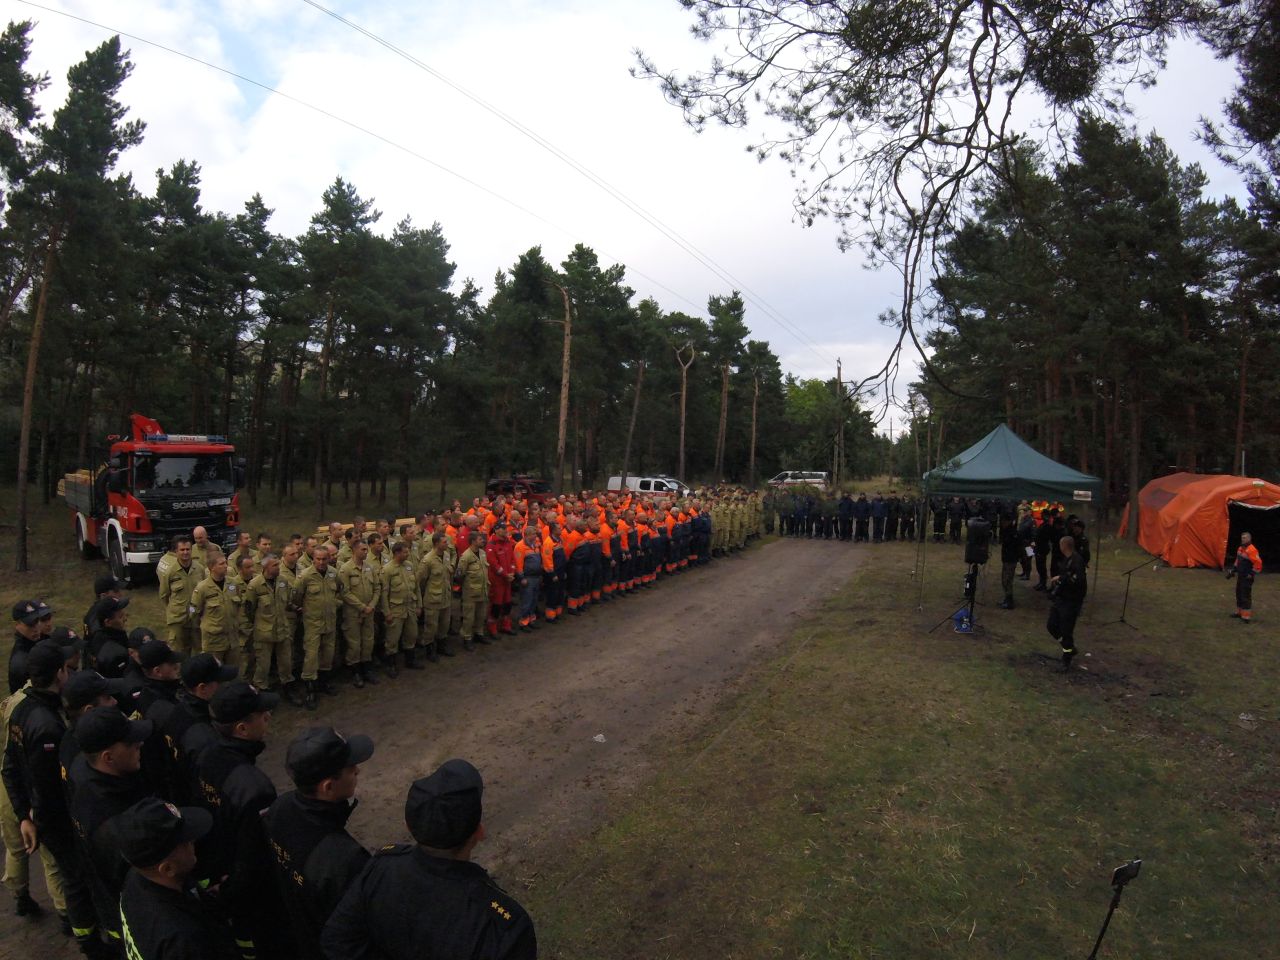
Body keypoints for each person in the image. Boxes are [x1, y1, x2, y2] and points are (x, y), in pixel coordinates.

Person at [322, 759, 536, 960]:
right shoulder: (502, 926)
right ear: (478, 833)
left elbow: (337, 940)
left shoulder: (381, 869)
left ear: (409, 826)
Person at [1, 641, 105, 956]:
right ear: (60, 672)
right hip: (55, 817)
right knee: (72, 875)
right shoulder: (47, 726)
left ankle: (76, 924)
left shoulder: (20, 706)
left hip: (35, 811)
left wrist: (22, 816)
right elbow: (49, 787)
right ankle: (83, 933)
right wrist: (37, 819)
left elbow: (9, 766)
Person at [192, 680, 290, 957]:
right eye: (262, 714)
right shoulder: (255, 788)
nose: (268, 717)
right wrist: (231, 890)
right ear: (242, 728)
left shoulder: (208, 755)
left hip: (218, 871)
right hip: (247, 892)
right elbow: (255, 858)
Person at [264, 727, 375, 960]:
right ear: (328, 786)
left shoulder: (280, 808)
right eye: (349, 768)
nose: (357, 770)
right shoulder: (345, 858)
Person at [68, 705, 153, 946]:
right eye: (130, 743)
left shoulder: (83, 770)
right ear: (108, 757)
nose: (140, 745)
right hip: (130, 916)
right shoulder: (114, 822)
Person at [115, 797, 239, 960]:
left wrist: (209, 903)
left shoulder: (136, 879)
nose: (193, 841)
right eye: (186, 841)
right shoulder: (184, 941)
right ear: (168, 869)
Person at [293, 544, 344, 703]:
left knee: (328, 654)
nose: (321, 562)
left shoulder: (333, 573)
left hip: (330, 621)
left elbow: (340, 591)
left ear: (329, 559)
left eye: (324, 559)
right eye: (318, 559)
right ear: (313, 559)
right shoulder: (305, 576)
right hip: (312, 623)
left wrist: (334, 604)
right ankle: (310, 689)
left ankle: (324, 683)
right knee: (311, 656)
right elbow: (296, 598)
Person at [338, 539, 382, 687]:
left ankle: (367, 669)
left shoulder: (369, 568)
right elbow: (345, 593)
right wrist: (362, 607)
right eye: (362, 549)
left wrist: (371, 605)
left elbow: (377, 588)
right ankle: (355, 672)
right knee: (354, 644)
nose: (365, 552)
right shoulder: (345, 569)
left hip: (369, 612)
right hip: (353, 614)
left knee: (368, 642)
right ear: (354, 550)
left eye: (366, 549)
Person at [1047, 535, 1088, 672]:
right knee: (1052, 625)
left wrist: (1063, 579)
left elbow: (1078, 581)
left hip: (1071, 602)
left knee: (1066, 630)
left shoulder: (1077, 561)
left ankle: (1067, 656)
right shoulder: (1067, 560)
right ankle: (1067, 646)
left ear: (1064, 546)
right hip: (1061, 599)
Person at [457, 533, 492, 649]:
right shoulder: (466, 556)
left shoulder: (482, 553)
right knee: (469, 617)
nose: (483, 541)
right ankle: (467, 638)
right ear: (473, 541)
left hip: (482, 590)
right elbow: (459, 574)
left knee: (481, 614)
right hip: (470, 593)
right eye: (480, 539)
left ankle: (479, 633)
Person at [1227, 532, 1263, 623]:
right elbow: (1237, 561)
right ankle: (1239, 612)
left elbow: (1258, 563)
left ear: (1249, 539)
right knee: (1239, 593)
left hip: (1247, 576)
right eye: (1242, 538)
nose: (1243, 539)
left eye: (1245, 538)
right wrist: (1234, 569)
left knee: (1245, 595)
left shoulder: (1252, 550)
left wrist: (1251, 574)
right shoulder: (1240, 548)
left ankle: (1246, 617)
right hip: (1241, 575)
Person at [997, 515, 1021, 609]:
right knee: (1004, 580)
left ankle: (1009, 601)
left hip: (1010, 559)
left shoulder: (1012, 533)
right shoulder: (1007, 531)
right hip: (1007, 559)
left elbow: (1016, 547)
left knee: (1007, 580)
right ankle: (1007, 598)